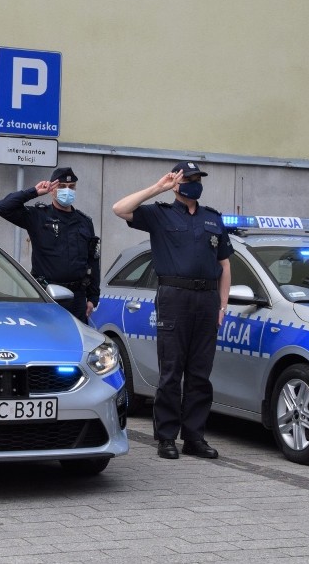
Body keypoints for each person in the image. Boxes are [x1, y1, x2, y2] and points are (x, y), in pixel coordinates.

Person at [112, 161, 232, 460]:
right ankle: (166, 438)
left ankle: (194, 438)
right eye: (188, 178)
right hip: (174, 296)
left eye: (197, 178)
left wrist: (223, 304)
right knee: (171, 371)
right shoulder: (159, 214)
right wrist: (157, 188)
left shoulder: (213, 219)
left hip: (206, 300)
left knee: (200, 374)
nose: (194, 182)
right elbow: (119, 209)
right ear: (176, 183)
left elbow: (224, 264)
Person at [0, 167, 100, 323]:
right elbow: (2, 207)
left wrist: (93, 297)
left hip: (77, 298)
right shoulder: (38, 216)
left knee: (78, 343)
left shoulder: (84, 222)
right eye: (62, 186)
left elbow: (93, 260)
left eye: (71, 187)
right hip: (47, 295)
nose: (67, 190)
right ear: (52, 190)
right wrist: (34, 192)